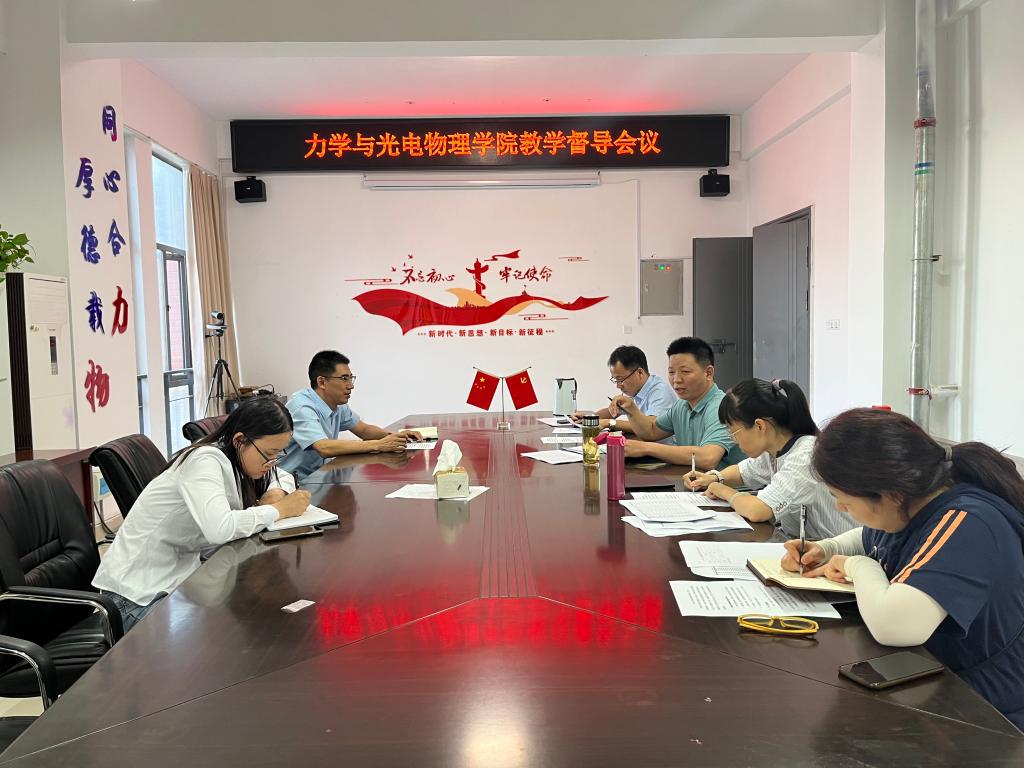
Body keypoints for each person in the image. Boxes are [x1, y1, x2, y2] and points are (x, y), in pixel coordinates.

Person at [781, 408, 1024, 730]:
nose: (839, 507)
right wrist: (827, 548)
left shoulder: (967, 523)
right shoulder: (909, 506)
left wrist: (858, 565)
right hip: (931, 683)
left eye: (844, 501)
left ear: (890, 495)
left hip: (987, 716)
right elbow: (868, 536)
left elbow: (895, 626)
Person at [92, 397, 311, 631]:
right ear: (240, 440)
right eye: (268, 454)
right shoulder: (205, 460)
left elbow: (281, 476)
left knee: (244, 621)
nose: (271, 463)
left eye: (277, 454)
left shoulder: (236, 458)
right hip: (136, 598)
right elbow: (220, 529)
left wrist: (275, 493)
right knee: (228, 635)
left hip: (179, 581)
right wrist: (279, 510)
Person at [683, 378, 854, 538]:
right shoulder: (776, 450)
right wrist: (714, 477)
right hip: (809, 545)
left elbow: (758, 510)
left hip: (842, 551)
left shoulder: (804, 456)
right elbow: (744, 471)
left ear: (759, 426)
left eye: (733, 432)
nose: (733, 439)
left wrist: (721, 490)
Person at [278, 350, 422, 480]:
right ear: (322, 382)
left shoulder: (338, 404)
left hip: (320, 476)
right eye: (344, 378)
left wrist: (395, 436)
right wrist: (379, 445)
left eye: (351, 378)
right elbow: (323, 447)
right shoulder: (302, 406)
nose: (351, 385)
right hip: (291, 484)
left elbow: (364, 430)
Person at [609, 336, 744, 469]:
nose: (676, 379)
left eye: (685, 372)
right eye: (671, 372)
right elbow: (651, 431)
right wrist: (631, 410)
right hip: (692, 479)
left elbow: (708, 458)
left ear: (708, 373)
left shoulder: (721, 407)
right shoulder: (682, 405)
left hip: (724, 483)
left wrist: (646, 448)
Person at [571, 345, 676, 441]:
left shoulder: (660, 393)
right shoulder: (634, 389)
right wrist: (590, 417)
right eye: (615, 380)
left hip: (661, 452)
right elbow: (611, 412)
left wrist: (609, 423)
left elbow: (650, 427)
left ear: (640, 372)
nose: (618, 386)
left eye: (620, 379)